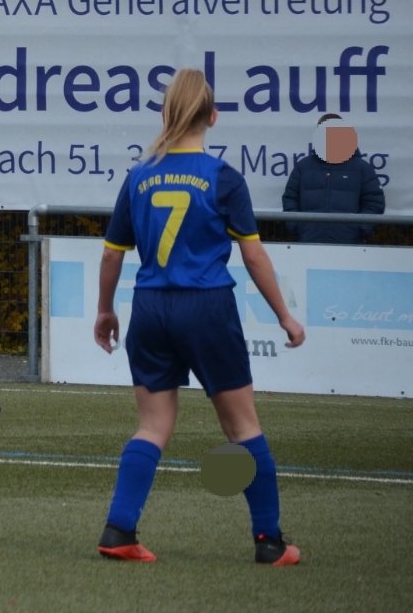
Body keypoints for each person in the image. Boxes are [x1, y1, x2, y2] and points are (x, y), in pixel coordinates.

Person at [92, 68, 305, 566]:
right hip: (206, 308)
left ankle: (119, 530)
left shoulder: (139, 176)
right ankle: (269, 541)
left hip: (150, 308)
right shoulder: (223, 178)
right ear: (213, 117)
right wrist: (285, 316)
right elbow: (254, 256)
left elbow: (111, 254)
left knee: (152, 426)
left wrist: (105, 309)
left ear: (166, 114)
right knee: (242, 427)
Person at [283, 114, 384, 245]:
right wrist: (298, 227)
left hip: (349, 245)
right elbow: (290, 199)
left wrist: (359, 229)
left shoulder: (362, 168)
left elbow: (374, 203)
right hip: (309, 243)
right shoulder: (304, 166)